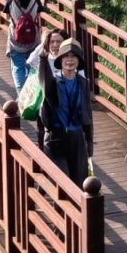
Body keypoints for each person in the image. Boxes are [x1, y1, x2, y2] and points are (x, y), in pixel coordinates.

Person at [37, 38, 92, 185]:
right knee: (63, 183)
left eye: (74, 56)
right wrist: (43, 60)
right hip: (56, 139)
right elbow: (44, 81)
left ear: (79, 61)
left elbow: (88, 114)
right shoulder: (53, 83)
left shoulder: (83, 83)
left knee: (79, 183)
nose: (70, 60)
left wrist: (89, 141)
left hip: (77, 140)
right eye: (66, 56)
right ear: (60, 60)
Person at [4, 0, 44, 92]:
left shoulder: (11, 0)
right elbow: (37, 17)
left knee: (17, 67)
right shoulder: (36, 0)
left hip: (15, 40)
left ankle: (20, 92)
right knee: (30, 66)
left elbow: (7, 16)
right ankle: (29, 92)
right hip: (33, 39)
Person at [27, 28, 64, 144]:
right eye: (52, 42)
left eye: (59, 42)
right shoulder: (44, 58)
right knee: (42, 125)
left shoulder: (69, 59)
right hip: (44, 98)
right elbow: (30, 61)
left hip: (61, 100)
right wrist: (43, 45)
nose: (55, 45)